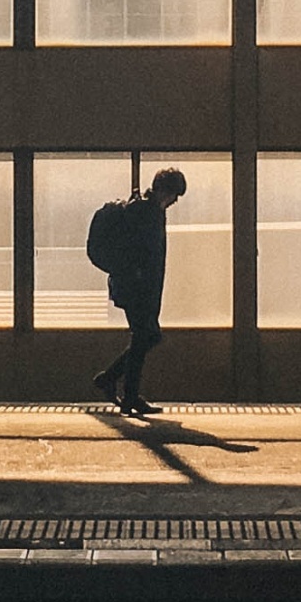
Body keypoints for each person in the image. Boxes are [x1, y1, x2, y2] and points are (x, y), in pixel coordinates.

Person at [92, 167, 187, 416]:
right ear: (164, 190)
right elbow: (141, 253)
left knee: (146, 336)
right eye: (174, 194)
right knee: (145, 336)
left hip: (137, 285)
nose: (175, 201)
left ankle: (111, 380)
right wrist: (139, 277)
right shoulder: (145, 212)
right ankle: (127, 394)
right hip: (136, 287)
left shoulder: (146, 209)